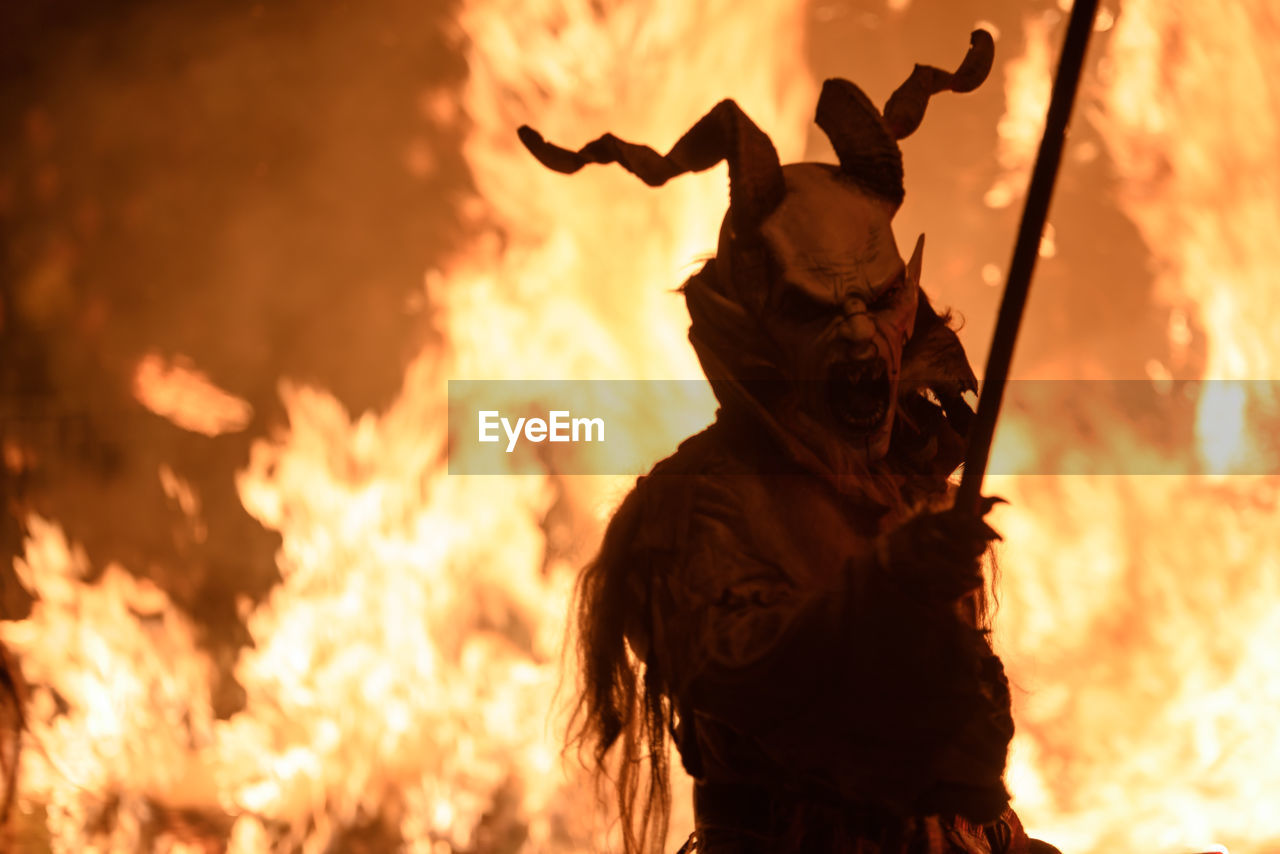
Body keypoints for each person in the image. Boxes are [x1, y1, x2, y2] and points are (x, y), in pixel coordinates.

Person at [521, 30, 1057, 854]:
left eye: (877, 302)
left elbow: (953, 782)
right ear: (759, 327)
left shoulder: (911, 485)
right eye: (816, 310)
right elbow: (748, 675)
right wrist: (889, 584)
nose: (857, 341)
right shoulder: (699, 505)